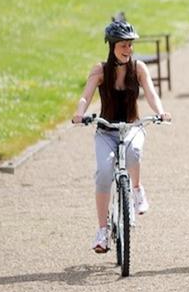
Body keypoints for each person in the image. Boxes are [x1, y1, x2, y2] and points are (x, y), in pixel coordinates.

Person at [72, 19, 171, 253]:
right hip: (106, 131)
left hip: (131, 128)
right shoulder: (100, 70)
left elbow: (151, 93)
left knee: (133, 152)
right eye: (123, 45)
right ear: (112, 46)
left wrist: (161, 112)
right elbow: (85, 96)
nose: (128, 49)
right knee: (104, 173)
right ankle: (102, 231)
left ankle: (136, 189)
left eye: (130, 45)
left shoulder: (138, 68)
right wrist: (79, 113)